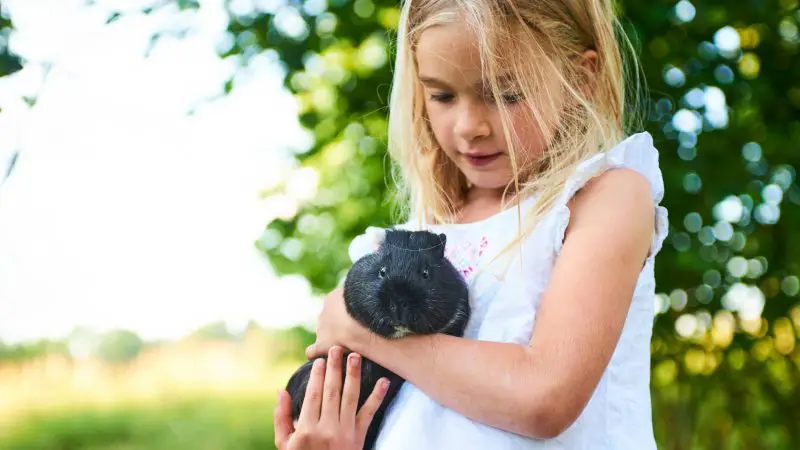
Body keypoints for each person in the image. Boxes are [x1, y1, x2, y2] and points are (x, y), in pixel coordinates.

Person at [273, 0, 669, 448]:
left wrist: (365, 333)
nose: (468, 126)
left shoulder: (603, 198)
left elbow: (543, 397)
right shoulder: (429, 227)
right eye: (442, 95)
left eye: (505, 95)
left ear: (580, 77)